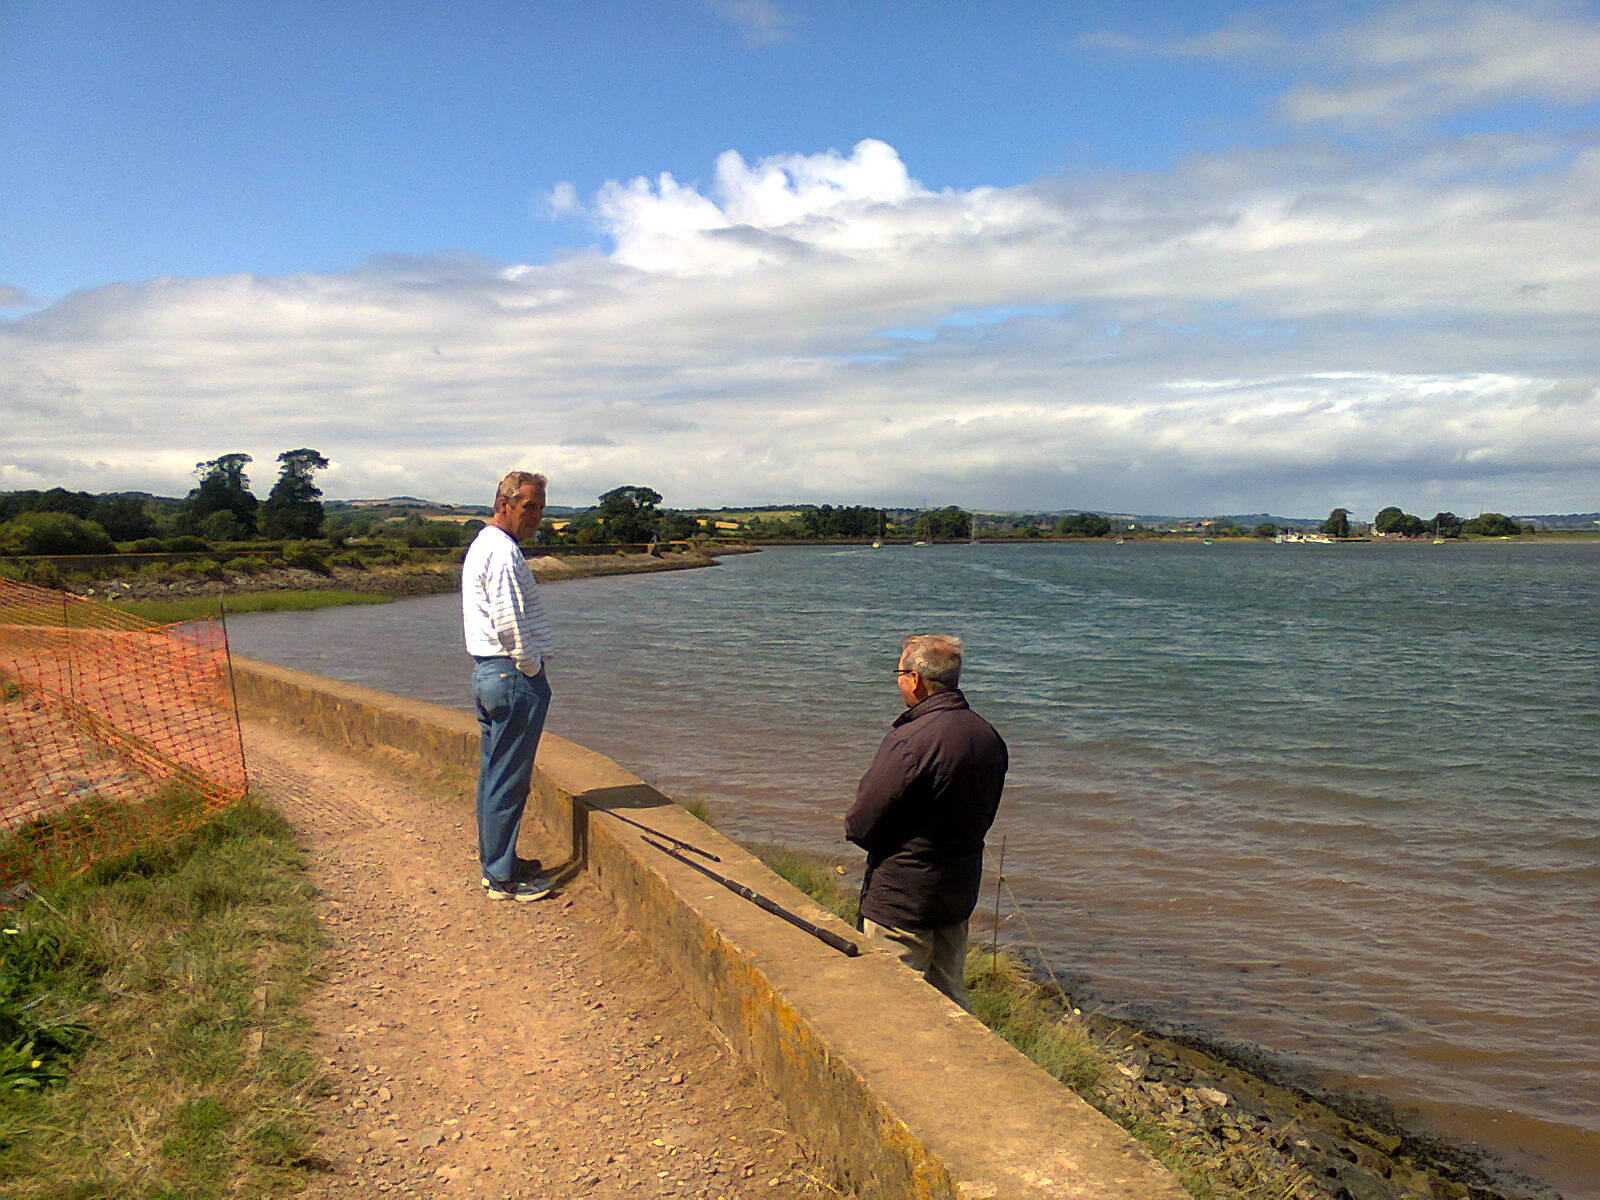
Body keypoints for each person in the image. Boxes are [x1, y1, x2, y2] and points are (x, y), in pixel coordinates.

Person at [845, 635, 1008, 1007]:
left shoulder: (911, 740)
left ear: (915, 679)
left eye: (899, 673)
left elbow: (862, 822)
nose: (898, 681)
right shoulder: (987, 735)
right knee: (949, 1000)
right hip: (957, 891)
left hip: (903, 898)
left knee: (892, 1002)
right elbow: (985, 814)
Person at [462, 470, 557, 901]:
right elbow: (509, 621)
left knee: (494, 775)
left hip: (489, 672)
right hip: (512, 674)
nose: (536, 516)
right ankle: (501, 878)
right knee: (508, 780)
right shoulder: (502, 552)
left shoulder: (486, 545)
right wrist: (531, 668)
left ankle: (499, 862)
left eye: (540, 508)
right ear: (504, 504)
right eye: (529, 506)